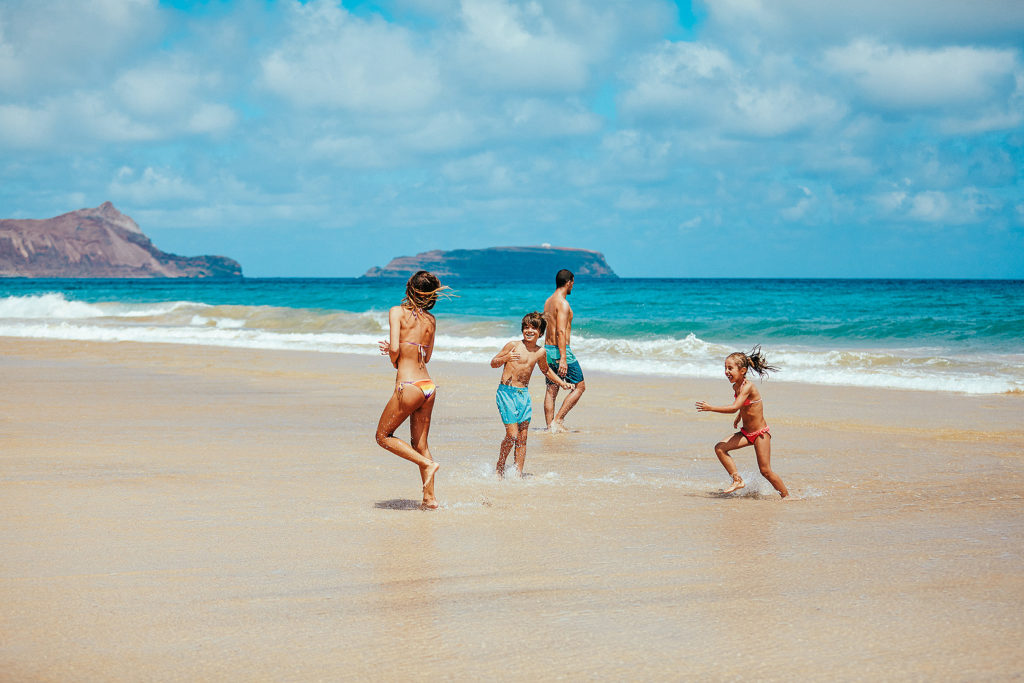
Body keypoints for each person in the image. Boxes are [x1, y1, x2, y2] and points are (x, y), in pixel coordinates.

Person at [375, 271, 448, 509]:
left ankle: (428, 465)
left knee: (383, 436)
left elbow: (395, 351)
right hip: (428, 386)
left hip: (408, 385)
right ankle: (429, 498)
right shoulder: (431, 320)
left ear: (409, 288)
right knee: (421, 444)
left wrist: (392, 353)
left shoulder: (396, 312)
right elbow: (427, 355)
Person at [695, 346, 789, 498]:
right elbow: (746, 405)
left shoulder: (748, 386)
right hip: (746, 433)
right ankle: (737, 480)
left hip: (760, 434)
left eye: (730, 368)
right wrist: (740, 416)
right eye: (725, 368)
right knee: (720, 448)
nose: (726, 371)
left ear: (743, 370)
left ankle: (786, 496)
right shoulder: (736, 386)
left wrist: (711, 408)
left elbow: (734, 407)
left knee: (765, 471)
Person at [491, 312, 574, 478]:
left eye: (533, 328)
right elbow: (493, 363)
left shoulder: (540, 352)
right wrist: (506, 357)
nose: (529, 330)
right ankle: (500, 466)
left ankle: (517, 472)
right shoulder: (512, 345)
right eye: (526, 327)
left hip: (523, 395)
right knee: (512, 435)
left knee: (523, 436)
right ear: (522, 329)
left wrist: (561, 382)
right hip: (506, 393)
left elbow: (546, 370)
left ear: (540, 333)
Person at [542, 268, 586, 432]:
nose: (573, 286)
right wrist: (563, 358)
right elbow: (560, 331)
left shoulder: (548, 301)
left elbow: (548, 328)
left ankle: (549, 427)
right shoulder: (563, 303)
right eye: (573, 283)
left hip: (547, 349)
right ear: (569, 282)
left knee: (551, 389)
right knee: (580, 387)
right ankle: (558, 421)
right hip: (560, 351)